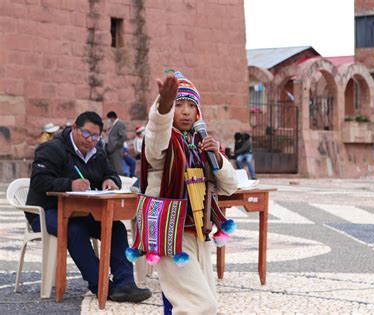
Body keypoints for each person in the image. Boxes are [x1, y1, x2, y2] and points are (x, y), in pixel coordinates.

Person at [26, 111, 152, 302]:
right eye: (86, 134)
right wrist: (70, 184)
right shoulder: (51, 149)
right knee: (75, 230)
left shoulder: (98, 153)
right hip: (46, 211)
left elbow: (112, 173)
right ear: (75, 128)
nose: (90, 140)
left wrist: (110, 181)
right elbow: (39, 181)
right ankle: (101, 285)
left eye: (95, 136)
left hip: (82, 211)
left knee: (115, 226)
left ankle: (125, 283)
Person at [142, 70, 238, 314]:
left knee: (187, 299)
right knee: (200, 305)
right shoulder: (161, 142)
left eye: (190, 106)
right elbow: (155, 136)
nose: (185, 111)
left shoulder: (201, 143)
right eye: (178, 104)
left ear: (198, 113)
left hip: (198, 228)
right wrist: (162, 108)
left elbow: (229, 186)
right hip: (169, 229)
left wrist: (216, 156)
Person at [106, 111, 128, 175]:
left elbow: (124, 136)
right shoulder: (113, 125)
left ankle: (121, 181)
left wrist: (116, 145)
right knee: (113, 168)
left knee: (118, 167)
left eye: (109, 119)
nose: (108, 121)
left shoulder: (120, 124)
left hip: (116, 149)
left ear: (112, 118)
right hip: (112, 150)